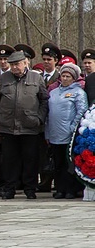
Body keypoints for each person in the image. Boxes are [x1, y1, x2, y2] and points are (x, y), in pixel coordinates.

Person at [0, 50, 49, 199]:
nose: (14, 67)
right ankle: (10, 188)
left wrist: (39, 119)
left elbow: (44, 100)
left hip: (30, 126)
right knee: (9, 160)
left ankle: (30, 188)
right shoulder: (4, 79)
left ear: (25, 63)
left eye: (17, 64)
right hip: (8, 127)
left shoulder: (36, 78)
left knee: (30, 159)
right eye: (12, 65)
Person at [46, 63, 87, 199]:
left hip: (69, 133)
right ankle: (60, 188)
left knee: (69, 163)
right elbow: (48, 113)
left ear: (74, 78)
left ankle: (70, 189)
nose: (64, 78)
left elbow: (81, 111)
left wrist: (73, 128)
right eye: (63, 75)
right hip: (54, 132)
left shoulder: (79, 93)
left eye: (68, 76)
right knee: (58, 163)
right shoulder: (53, 93)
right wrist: (47, 131)